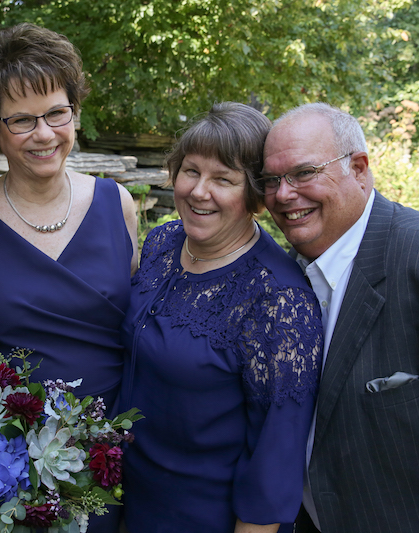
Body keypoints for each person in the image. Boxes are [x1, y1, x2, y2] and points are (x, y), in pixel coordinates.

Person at [0, 23, 138, 532]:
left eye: (56, 113)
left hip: (103, 463)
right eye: (21, 119)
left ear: (75, 112)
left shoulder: (119, 206)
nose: (44, 134)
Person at [260, 102, 419, 532]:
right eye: (272, 180)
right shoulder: (279, 282)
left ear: (359, 169)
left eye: (304, 173)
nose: (283, 194)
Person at [119, 102, 322, 533]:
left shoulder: (277, 301)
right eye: (191, 171)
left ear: (254, 195)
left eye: (223, 180)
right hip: (124, 499)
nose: (198, 191)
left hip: (200, 517)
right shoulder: (161, 242)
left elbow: (276, 456)